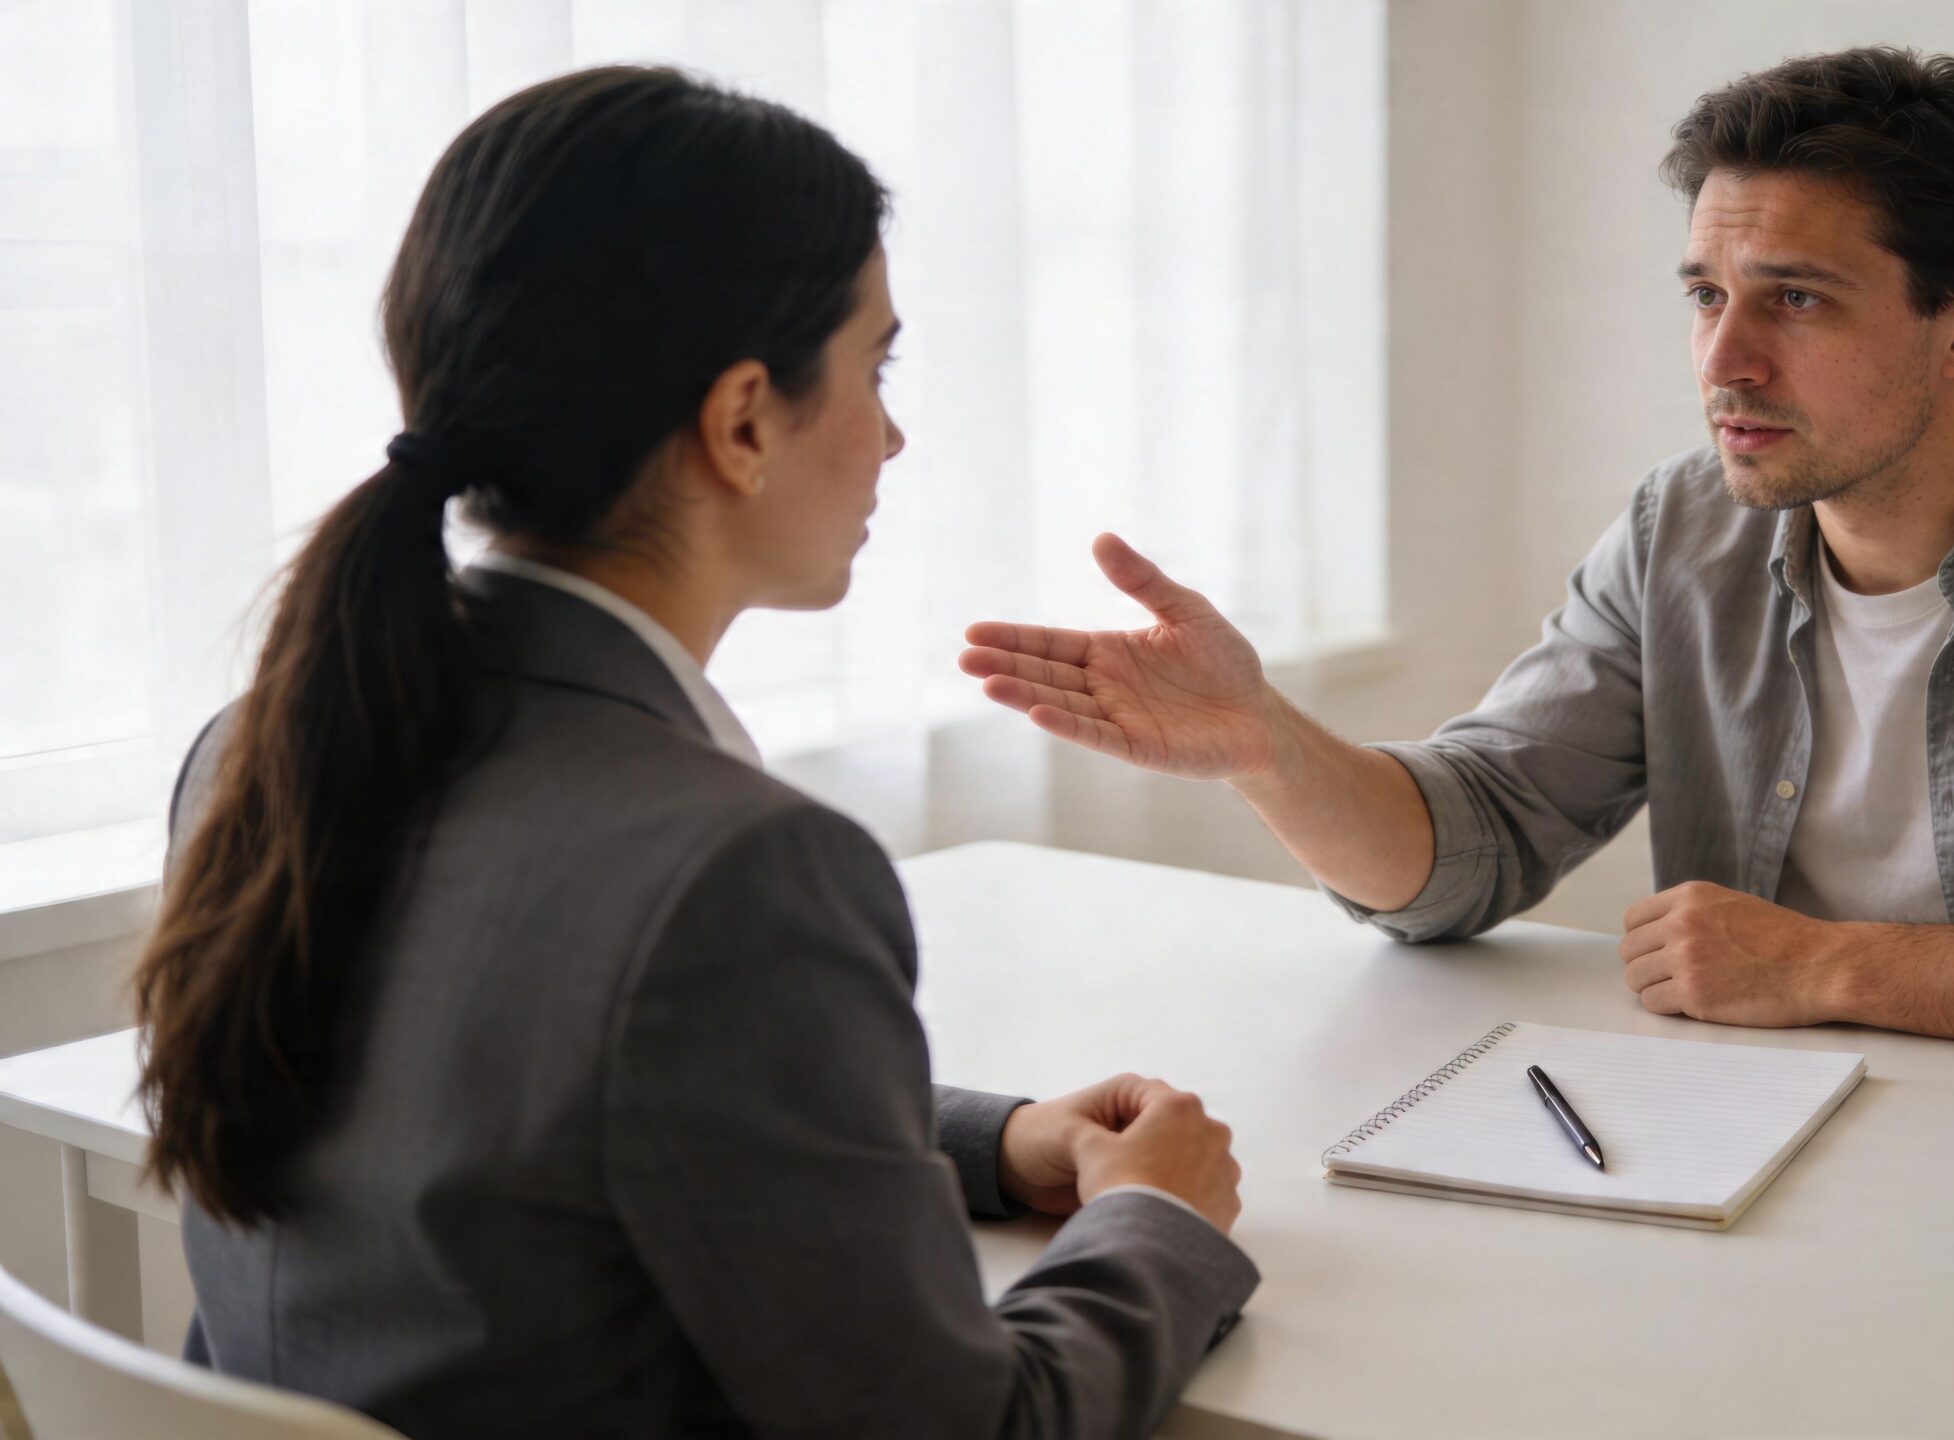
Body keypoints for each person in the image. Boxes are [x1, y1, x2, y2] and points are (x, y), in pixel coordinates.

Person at [133, 65, 1254, 1439]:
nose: (894, 434)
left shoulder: (255, 750)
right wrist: (1158, 1223)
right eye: (874, 366)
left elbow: (555, 1098)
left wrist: (986, 1144)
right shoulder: (737, 872)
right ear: (739, 422)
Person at [960, 47, 1954, 1072]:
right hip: (1756, 1142)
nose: (1723, 361)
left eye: (1797, 301)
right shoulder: (1683, 525)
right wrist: (1267, 743)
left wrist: (1821, 965)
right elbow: (1478, 840)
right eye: (1705, 293)